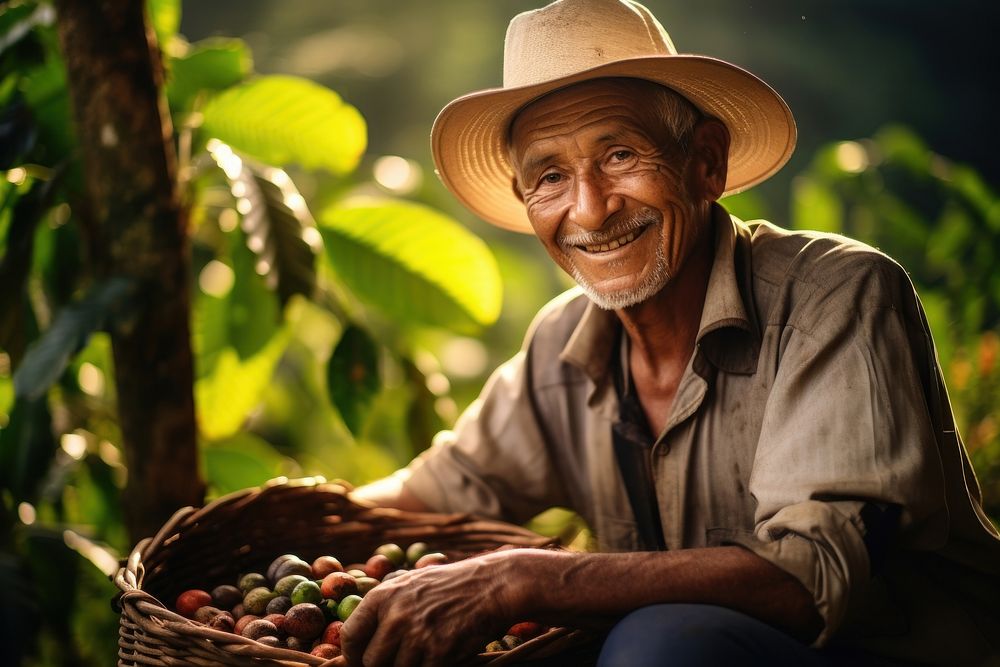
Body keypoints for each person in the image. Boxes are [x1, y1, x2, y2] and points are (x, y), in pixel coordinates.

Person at [334, 1, 1000, 665]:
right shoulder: (562, 343)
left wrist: (523, 578)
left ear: (706, 162)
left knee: (658, 644)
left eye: (621, 154)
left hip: (892, 652)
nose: (590, 209)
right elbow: (436, 491)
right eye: (551, 177)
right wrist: (296, 510)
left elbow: (809, 575)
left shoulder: (836, 295)